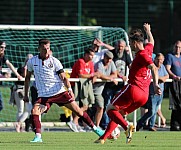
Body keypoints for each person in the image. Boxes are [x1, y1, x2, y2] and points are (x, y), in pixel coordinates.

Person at [23, 39, 104, 142]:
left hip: (59, 92)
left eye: (48, 48)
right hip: (44, 95)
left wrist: (69, 89)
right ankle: (38, 137)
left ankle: (96, 130)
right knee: (35, 111)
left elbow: (64, 78)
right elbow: (27, 78)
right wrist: (26, 94)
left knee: (79, 111)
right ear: (39, 49)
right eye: (44, 49)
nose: (46, 51)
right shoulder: (32, 61)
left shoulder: (55, 61)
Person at [94, 23, 161, 144]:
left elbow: (154, 68)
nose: (129, 45)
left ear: (135, 42)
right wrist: (148, 31)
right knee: (118, 113)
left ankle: (127, 127)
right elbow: (151, 41)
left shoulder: (142, 55)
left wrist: (156, 84)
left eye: (130, 42)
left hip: (134, 89)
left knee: (109, 109)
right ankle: (103, 138)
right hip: (144, 96)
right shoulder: (148, 50)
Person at [100, 39, 132, 130]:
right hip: (110, 84)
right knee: (107, 104)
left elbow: (130, 65)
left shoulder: (126, 54)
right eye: (119, 46)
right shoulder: (112, 54)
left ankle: (115, 123)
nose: (120, 48)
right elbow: (112, 67)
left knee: (118, 106)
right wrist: (121, 76)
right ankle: (105, 124)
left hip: (120, 85)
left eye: (122, 46)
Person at [67, 47, 100, 132]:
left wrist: (94, 76)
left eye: (93, 55)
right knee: (77, 106)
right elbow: (81, 75)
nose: (92, 57)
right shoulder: (80, 61)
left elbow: (92, 74)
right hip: (76, 86)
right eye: (90, 55)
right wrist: (93, 75)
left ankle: (74, 123)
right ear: (85, 54)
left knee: (86, 105)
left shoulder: (91, 63)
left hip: (85, 87)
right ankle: (75, 124)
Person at [136, 53, 169, 131]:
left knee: (155, 110)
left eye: (161, 59)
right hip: (152, 93)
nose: (159, 61)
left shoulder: (163, 67)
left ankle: (151, 125)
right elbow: (152, 77)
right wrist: (160, 78)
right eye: (158, 59)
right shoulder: (151, 67)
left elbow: (167, 76)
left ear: (163, 60)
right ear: (155, 59)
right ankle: (140, 123)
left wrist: (162, 78)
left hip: (160, 92)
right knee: (151, 111)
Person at [93, 51, 117, 127]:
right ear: (104, 57)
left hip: (100, 90)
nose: (109, 61)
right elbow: (99, 75)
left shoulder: (111, 63)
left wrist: (111, 77)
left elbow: (115, 74)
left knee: (101, 107)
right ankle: (76, 123)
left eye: (110, 59)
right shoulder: (99, 64)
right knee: (87, 107)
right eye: (108, 58)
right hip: (94, 89)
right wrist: (110, 78)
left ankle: (96, 126)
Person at [0, 41, 23, 111]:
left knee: (0, 106)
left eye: (4, 47)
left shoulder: (2, 56)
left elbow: (9, 64)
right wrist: (4, 77)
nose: (3, 49)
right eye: (1, 47)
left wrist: (18, 75)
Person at [164, 40, 181, 131]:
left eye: (179, 47)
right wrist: (174, 76)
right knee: (176, 104)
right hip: (174, 83)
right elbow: (167, 68)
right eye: (176, 47)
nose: (177, 49)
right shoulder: (170, 57)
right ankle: (175, 125)